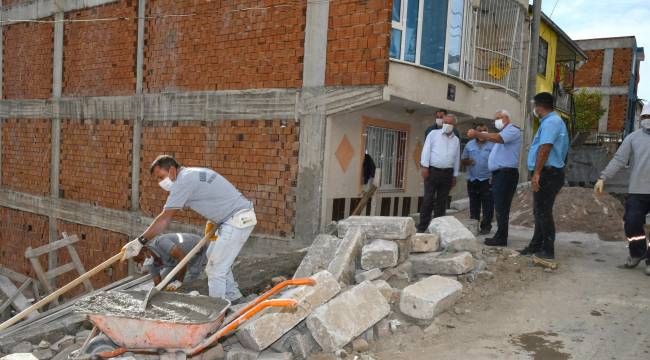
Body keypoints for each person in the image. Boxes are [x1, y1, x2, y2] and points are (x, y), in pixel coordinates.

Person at [121, 155, 257, 302]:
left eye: (161, 177)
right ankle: (234, 298)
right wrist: (215, 219)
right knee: (214, 258)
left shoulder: (183, 182)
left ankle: (218, 310)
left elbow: (165, 218)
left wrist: (140, 241)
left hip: (236, 219)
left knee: (215, 269)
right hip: (232, 217)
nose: (159, 182)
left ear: (172, 170)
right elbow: (214, 195)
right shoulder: (191, 173)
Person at [595, 103, 650, 274]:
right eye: (645, 117)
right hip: (638, 190)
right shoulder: (633, 138)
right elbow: (619, 159)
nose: (647, 120)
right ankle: (637, 252)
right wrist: (603, 177)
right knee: (632, 223)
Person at [519, 92, 569, 259]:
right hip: (548, 172)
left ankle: (548, 251)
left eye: (535, 106)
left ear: (539, 107)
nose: (534, 109)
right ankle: (536, 246)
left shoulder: (551, 122)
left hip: (548, 173)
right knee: (539, 211)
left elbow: (545, 148)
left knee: (543, 212)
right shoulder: (551, 121)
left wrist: (537, 174)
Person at [467, 109, 521, 246]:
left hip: (506, 174)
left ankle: (501, 238)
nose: (496, 121)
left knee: (502, 207)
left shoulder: (512, 130)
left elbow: (499, 139)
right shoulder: (503, 132)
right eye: (495, 119)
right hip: (500, 174)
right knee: (500, 207)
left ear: (506, 118)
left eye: (498, 118)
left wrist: (478, 133)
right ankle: (500, 235)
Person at [418, 114, 460, 232]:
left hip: (447, 173)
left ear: (454, 125)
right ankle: (422, 228)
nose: (446, 125)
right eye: (444, 122)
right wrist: (425, 167)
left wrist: (455, 175)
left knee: (442, 201)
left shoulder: (456, 140)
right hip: (432, 171)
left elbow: (456, 158)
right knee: (428, 200)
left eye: (449, 123)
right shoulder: (433, 134)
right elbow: (426, 150)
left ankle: (438, 228)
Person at [138, 233, 207, 290]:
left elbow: (183, 259)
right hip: (176, 262)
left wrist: (178, 281)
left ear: (145, 250)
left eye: (141, 260)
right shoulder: (150, 261)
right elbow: (157, 283)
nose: (141, 263)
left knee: (188, 281)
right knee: (165, 282)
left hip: (197, 249)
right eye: (138, 262)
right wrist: (158, 291)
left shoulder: (161, 242)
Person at [461, 123, 495, 235]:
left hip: (487, 180)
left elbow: (497, 161)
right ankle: (473, 226)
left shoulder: (493, 145)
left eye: (484, 130)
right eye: (480, 130)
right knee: (474, 205)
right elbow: (463, 160)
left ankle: (486, 227)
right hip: (472, 179)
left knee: (488, 205)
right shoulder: (469, 144)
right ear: (476, 133)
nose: (482, 132)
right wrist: (468, 162)